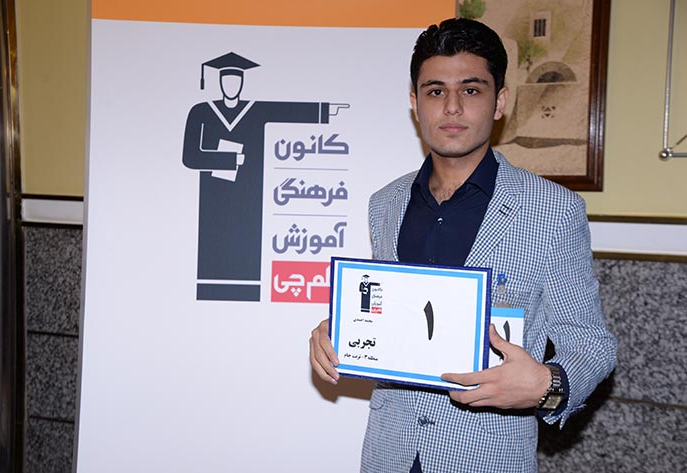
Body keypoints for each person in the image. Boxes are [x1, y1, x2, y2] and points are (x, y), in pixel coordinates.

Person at [309, 18, 616, 472]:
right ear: (415, 103)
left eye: (471, 90)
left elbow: (590, 343)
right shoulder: (385, 203)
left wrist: (545, 385)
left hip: (488, 457)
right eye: (435, 91)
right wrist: (341, 331)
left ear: (500, 101)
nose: (452, 107)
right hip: (389, 453)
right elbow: (394, 315)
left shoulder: (553, 210)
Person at [182, 52, 347, 302]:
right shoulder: (202, 112)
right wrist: (228, 159)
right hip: (213, 195)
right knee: (214, 245)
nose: (231, 86)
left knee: (246, 245)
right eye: (227, 81)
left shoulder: (254, 110)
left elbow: (287, 111)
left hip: (248, 194)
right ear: (220, 82)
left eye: (236, 81)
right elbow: (190, 157)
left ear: (241, 83)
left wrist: (327, 110)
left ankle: (245, 288)